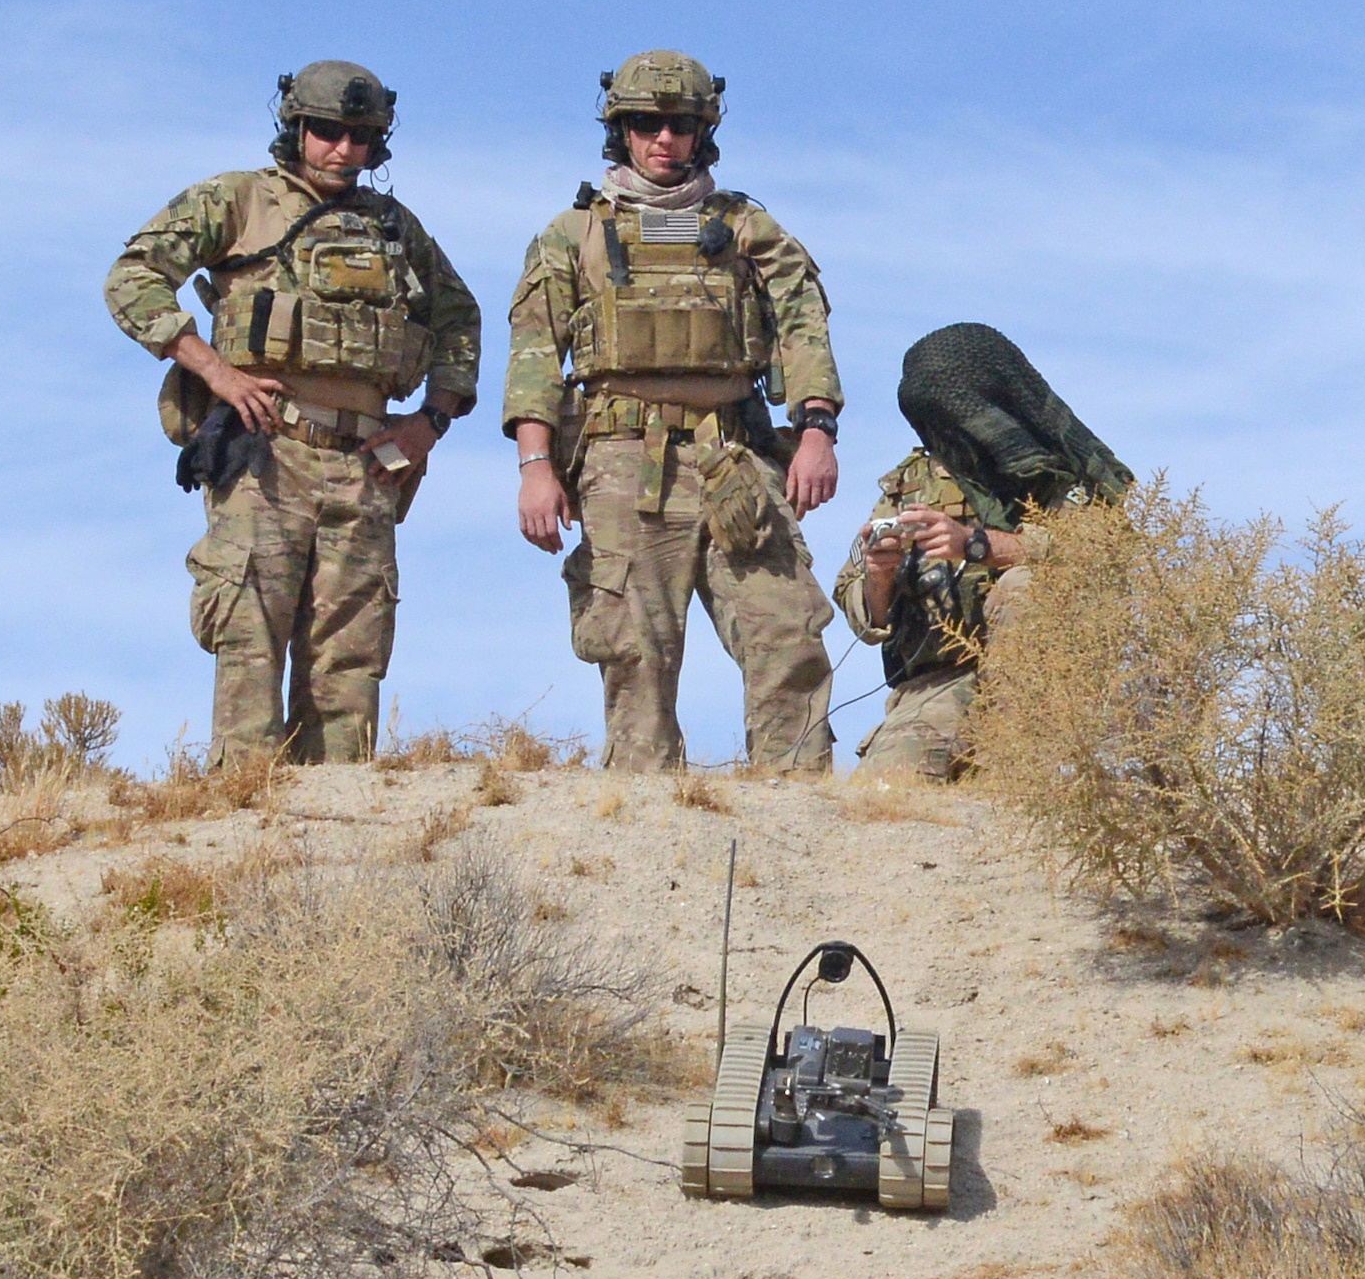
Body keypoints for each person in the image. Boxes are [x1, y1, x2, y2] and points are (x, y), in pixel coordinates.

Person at [105, 60, 481, 765]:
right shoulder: (239, 201)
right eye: (328, 132)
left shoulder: (395, 227)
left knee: (351, 651)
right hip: (266, 453)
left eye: (360, 137)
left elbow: (460, 317)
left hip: (368, 465)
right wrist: (214, 370)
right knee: (249, 633)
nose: (343, 149)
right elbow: (132, 278)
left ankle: (339, 823)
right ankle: (244, 809)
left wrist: (428, 423)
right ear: (297, 128)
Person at [504, 49, 843, 773]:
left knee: (788, 634)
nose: (665, 138)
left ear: (703, 130)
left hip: (736, 458)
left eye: (682, 124)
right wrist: (536, 467)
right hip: (624, 460)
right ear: (621, 129)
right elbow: (534, 354)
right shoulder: (574, 234)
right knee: (635, 653)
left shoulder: (749, 226)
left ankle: (804, 817)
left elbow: (805, 326)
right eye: (648, 123)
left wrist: (817, 433)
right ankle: (645, 820)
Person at [833, 323, 1133, 781]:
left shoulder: (1063, 477)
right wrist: (879, 574)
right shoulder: (911, 487)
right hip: (938, 684)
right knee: (887, 790)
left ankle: (1012, 769)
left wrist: (976, 544)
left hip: (1054, 692)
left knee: (1025, 587)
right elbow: (865, 614)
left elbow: (1101, 552)